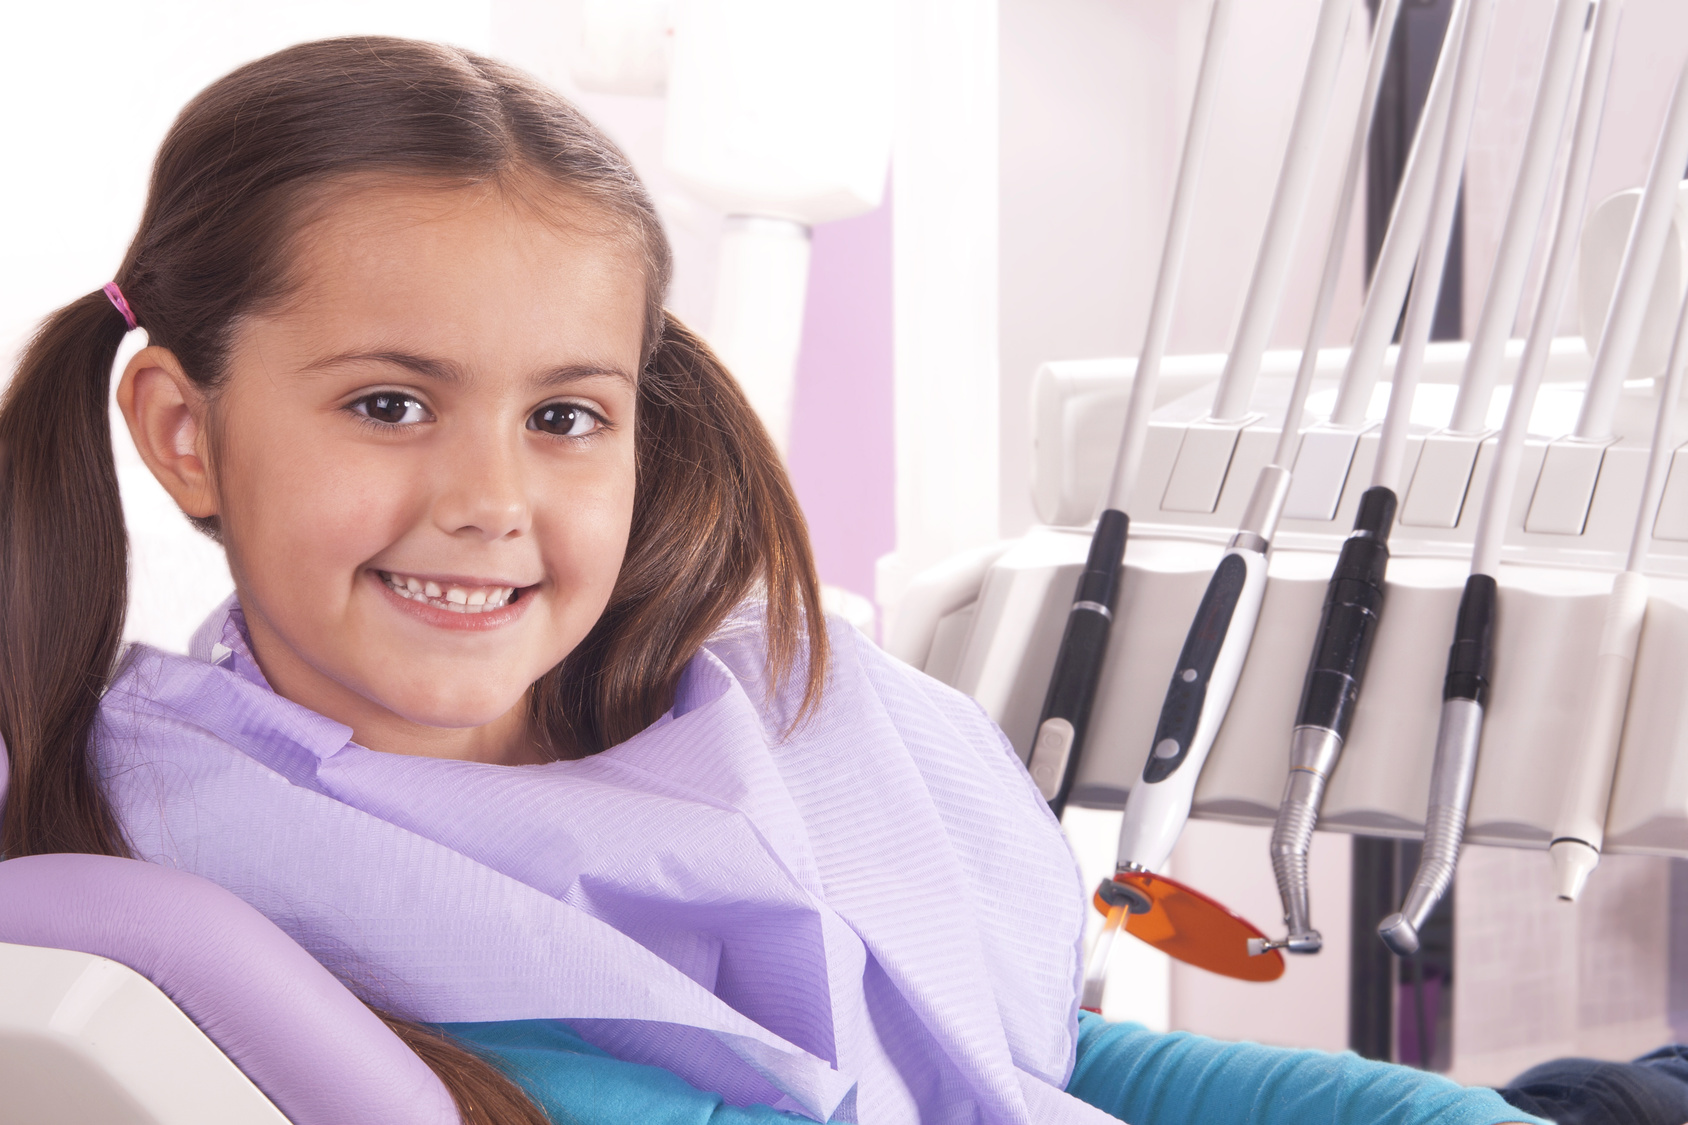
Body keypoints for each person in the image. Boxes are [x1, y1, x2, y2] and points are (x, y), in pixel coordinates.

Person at [0, 36, 1546, 1125]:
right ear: (185, 431)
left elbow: (1024, 1067)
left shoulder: (766, 707)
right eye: (389, 403)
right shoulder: (233, 877)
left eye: (564, 416)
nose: (488, 502)